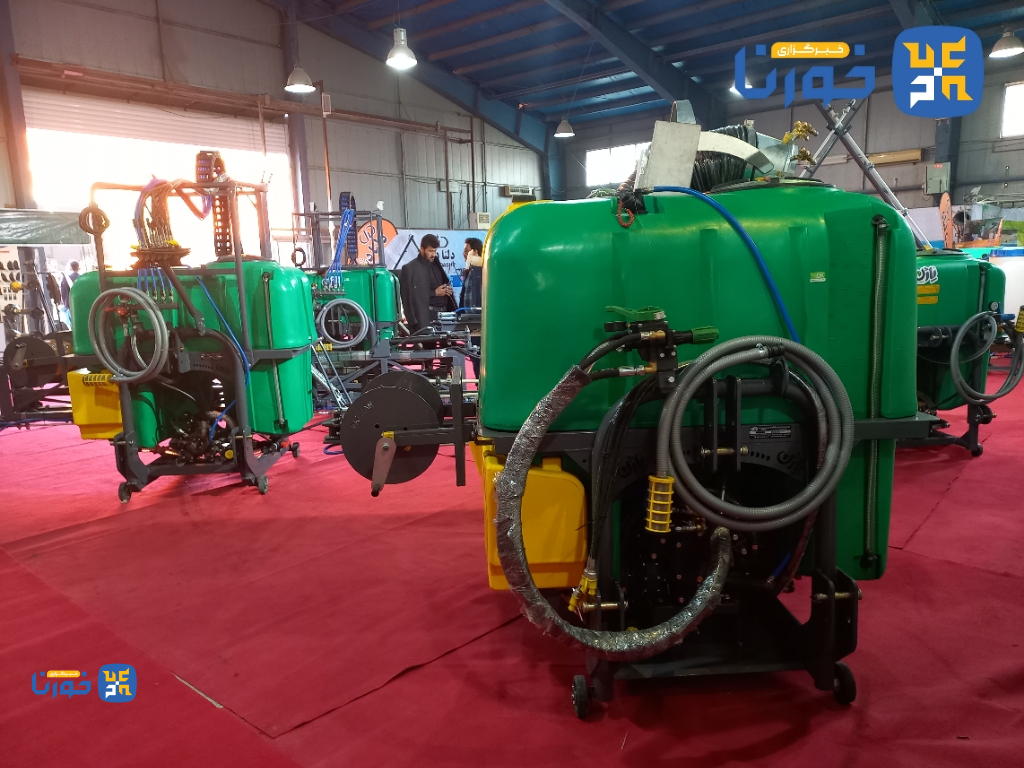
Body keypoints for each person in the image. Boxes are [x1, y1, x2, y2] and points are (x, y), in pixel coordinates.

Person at [399, 234, 455, 333]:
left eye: (435, 251)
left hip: (444, 316)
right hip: (425, 319)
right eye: (430, 251)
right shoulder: (410, 269)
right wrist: (435, 293)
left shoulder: (436, 264)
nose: (433, 254)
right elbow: (410, 298)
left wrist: (447, 290)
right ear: (422, 249)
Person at [459, 237, 484, 310]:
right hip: (467, 316)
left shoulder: (481, 272)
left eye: (466, 251)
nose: (463, 254)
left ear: (475, 252)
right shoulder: (470, 271)